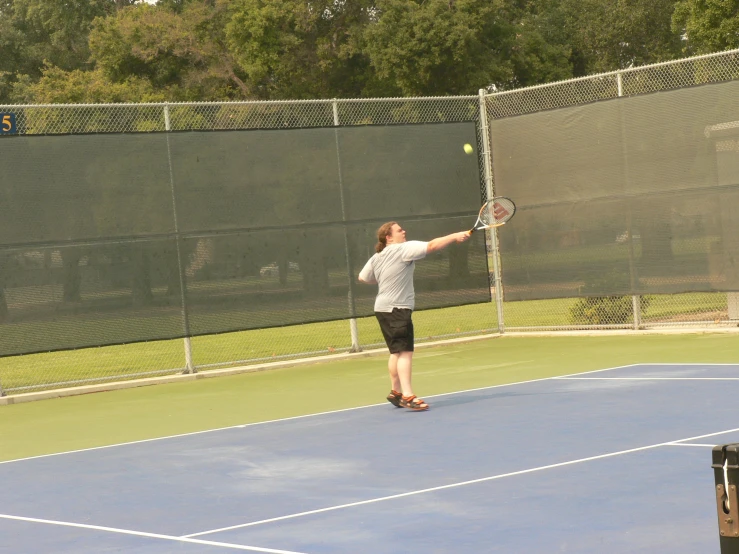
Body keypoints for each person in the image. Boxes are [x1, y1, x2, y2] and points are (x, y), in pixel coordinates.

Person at [358, 221, 470, 411]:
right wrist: (454, 236)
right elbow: (432, 245)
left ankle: (396, 392)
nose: (404, 231)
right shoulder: (403, 249)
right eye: (399, 230)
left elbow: (363, 277)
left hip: (382, 308)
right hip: (397, 309)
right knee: (405, 352)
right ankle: (408, 396)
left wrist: (386, 278)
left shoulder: (377, 257)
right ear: (389, 237)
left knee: (396, 352)